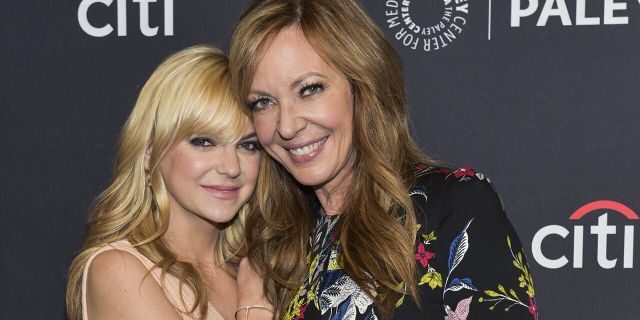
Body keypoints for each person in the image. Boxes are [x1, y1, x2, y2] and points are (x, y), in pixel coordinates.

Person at [229, 0, 539, 319]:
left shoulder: (454, 207)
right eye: (263, 102)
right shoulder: (276, 249)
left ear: (361, 84)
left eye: (309, 89)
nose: (287, 126)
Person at [66, 45, 261, 320]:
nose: (231, 167)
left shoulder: (257, 269)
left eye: (248, 145)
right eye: (204, 142)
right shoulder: (120, 269)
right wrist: (256, 309)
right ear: (149, 152)